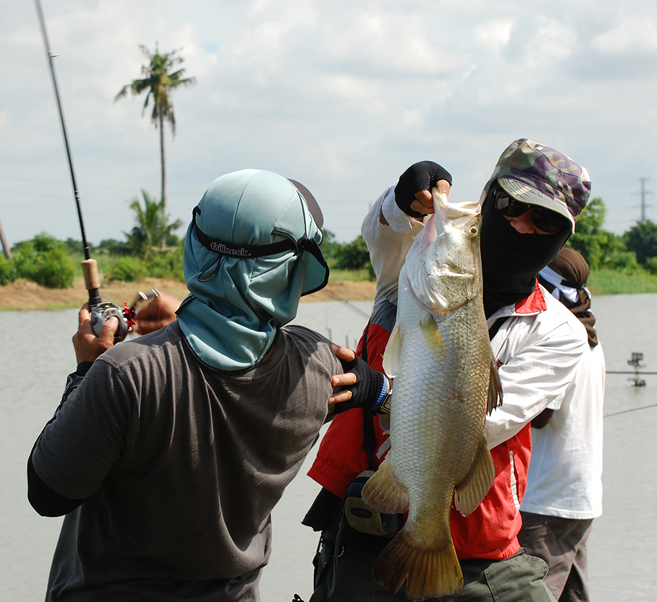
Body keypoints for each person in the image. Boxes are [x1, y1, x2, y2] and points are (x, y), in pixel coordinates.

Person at [27, 169, 390, 601]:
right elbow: (246, 347)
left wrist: (85, 371)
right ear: (295, 269)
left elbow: (48, 493)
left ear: (194, 245)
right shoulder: (321, 367)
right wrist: (378, 390)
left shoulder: (125, 374)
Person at [303, 138, 592, 601]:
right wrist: (402, 198)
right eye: (509, 204)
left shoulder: (559, 333)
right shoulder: (417, 269)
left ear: (563, 234)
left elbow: (487, 423)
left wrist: (382, 394)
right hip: (366, 541)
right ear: (489, 196)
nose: (520, 224)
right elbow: (384, 232)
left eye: (544, 220)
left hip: (482, 559)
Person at [517, 247, 605, 602]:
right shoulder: (591, 338)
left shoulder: (558, 337)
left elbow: (539, 417)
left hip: (545, 499)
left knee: (529, 594)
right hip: (581, 497)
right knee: (574, 595)